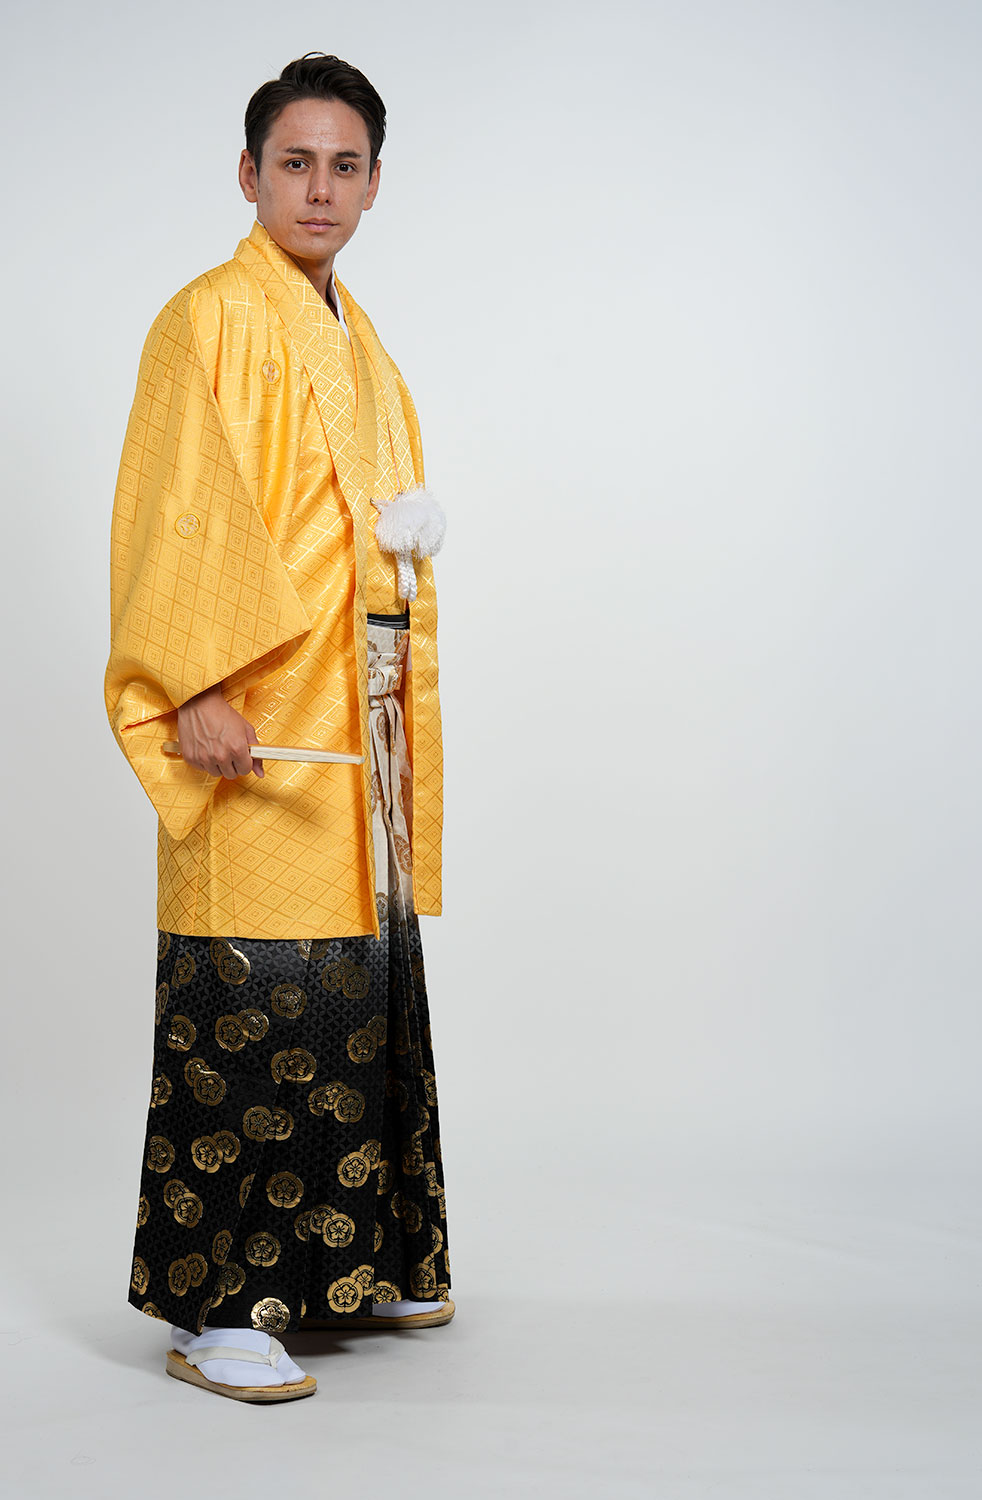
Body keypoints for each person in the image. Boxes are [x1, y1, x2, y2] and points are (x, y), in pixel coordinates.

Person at [104, 53, 451, 1403]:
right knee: (249, 992)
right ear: (248, 174)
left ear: (375, 183)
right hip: (256, 712)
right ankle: (216, 1306)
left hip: (355, 716)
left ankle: (356, 1262)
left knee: (362, 978)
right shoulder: (207, 318)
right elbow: (177, 509)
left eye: (344, 165)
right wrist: (192, 685)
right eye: (295, 162)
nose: (320, 188)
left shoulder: (362, 339)